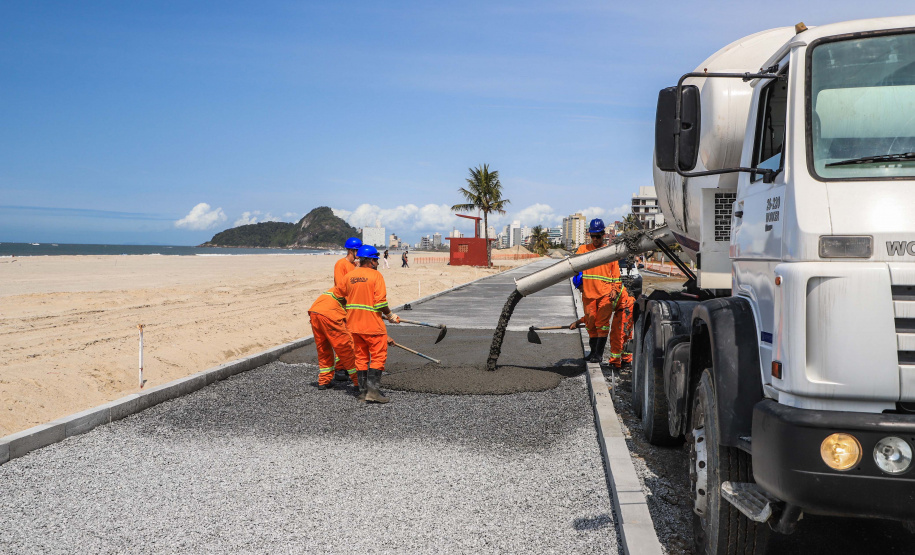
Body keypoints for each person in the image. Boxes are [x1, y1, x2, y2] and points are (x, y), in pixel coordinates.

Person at [342, 245, 400, 403]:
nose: (377, 263)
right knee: (378, 357)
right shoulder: (376, 276)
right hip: (373, 326)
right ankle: (373, 393)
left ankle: (362, 393)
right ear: (370, 261)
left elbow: (340, 296)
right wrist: (390, 315)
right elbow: (380, 303)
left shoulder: (349, 276)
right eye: (376, 260)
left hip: (354, 325)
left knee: (360, 358)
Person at [572, 219, 621, 363]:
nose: (595, 239)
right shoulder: (583, 250)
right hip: (588, 294)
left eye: (597, 236)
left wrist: (615, 289)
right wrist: (578, 283)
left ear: (603, 235)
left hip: (605, 295)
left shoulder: (609, 252)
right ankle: (592, 352)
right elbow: (575, 269)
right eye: (592, 236)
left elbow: (616, 275)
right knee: (590, 323)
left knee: (603, 324)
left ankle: (598, 355)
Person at [307, 283, 358, 390]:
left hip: (315, 313)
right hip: (329, 315)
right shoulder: (353, 291)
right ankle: (359, 381)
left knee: (323, 349)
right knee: (345, 348)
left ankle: (324, 381)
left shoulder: (339, 288)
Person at [329, 237, 362, 382]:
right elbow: (340, 286)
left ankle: (348, 366)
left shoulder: (356, 265)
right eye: (357, 251)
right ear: (351, 250)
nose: (359, 254)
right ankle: (340, 368)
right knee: (345, 338)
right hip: (344, 306)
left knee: (354, 337)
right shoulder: (341, 264)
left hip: (353, 305)